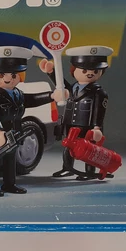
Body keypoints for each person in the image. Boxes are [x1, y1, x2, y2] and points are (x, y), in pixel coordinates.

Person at [0, 46, 67, 197]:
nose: (8, 79)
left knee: (11, 159)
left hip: (12, 134)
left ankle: (9, 184)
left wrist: (51, 96)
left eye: (14, 75)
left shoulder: (17, 94)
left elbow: (32, 100)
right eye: (1, 75)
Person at [39, 45, 112, 180]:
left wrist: (97, 128)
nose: (90, 73)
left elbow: (99, 110)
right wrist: (51, 73)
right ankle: (67, 168)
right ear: (74, 70)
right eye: (84, 70)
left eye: (95, 71)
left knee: (90, 148)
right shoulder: (73, 88)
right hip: (71, 123)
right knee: (69, 146)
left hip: (88, 126)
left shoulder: (99, 92)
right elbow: (62, 86)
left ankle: (89, 171)